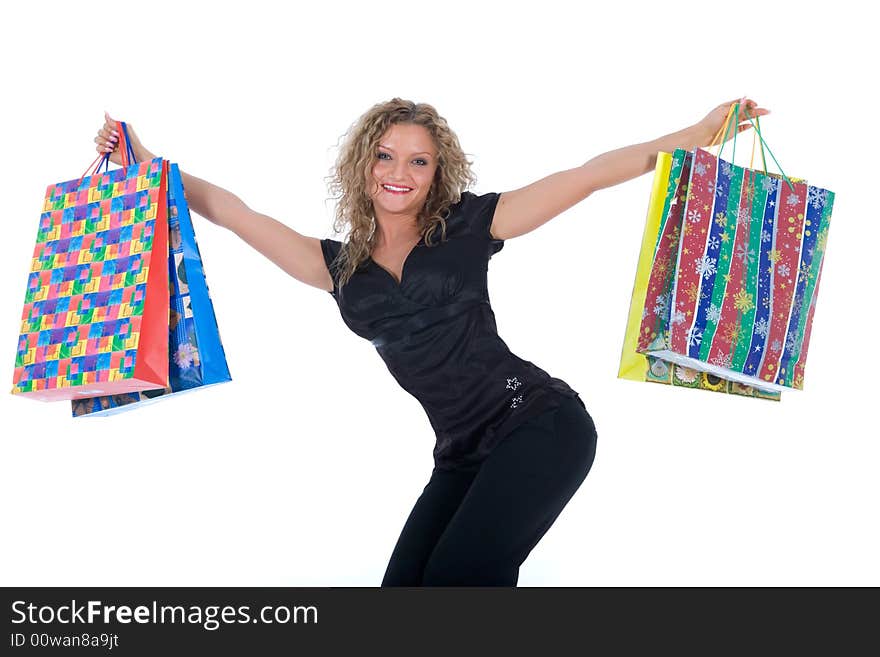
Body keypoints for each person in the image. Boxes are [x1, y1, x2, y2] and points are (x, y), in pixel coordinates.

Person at [93, 96, 769, 586]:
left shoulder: (471, 225)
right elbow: (232, 213)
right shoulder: (337, 268)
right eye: (386, 156)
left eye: (418, 160)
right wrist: (147, 163)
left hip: (539, 424)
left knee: (461, 575)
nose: (401, 171)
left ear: (436, 170)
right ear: (364, 165)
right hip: (461, 454)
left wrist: (700, 132)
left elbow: (586, 174)